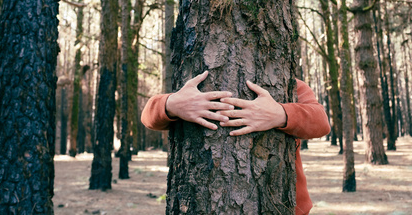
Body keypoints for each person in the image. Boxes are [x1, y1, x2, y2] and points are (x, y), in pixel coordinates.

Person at [141, 71, 330, 215]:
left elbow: (321, 122)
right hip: (200, 204)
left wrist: (281, 114)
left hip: (285, 205)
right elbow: (148, 116)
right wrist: (171, 104)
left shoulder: (287, 83)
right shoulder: (194, 81)